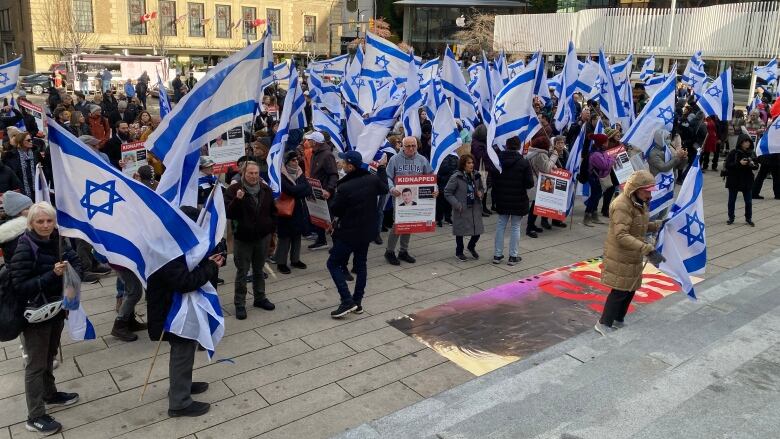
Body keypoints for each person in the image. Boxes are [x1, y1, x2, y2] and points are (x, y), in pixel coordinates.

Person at [10, 202, 83, 435]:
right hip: (34, 316)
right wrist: (52, 274)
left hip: (56, 309)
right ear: (31, 223)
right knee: (35, 365)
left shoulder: (59, 240)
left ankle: (49, 394)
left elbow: (79, 265)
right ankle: (35, 416)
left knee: (50, 355)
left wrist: (71, 276)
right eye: (40, 221)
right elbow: (20, 287)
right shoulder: (24, 247)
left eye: (49, 221)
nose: (45, 225)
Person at [146, 213, 223, 418]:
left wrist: (206, 261)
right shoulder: (167, 251)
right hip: (171, 311)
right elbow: (184, 281)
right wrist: (211, 267)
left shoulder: (172, 243)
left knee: (185, 349)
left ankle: (182, 385)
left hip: (177, 307)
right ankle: (179, 403)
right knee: (182, 351)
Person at [595, 171, 665, 335]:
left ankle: (619, 319)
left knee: (631, 287)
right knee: (620, 290)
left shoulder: (640, 201)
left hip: (633, 252)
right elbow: (621, 235)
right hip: (621, 253)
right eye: (646, 190)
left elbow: (638, 224)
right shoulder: (622, 204)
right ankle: (603, 323)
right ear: (636, 189)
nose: (649, 194)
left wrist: (656, 225)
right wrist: (646, 248)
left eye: (650, 191)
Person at [327, 150, 389, 318]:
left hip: (348, 233)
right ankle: (358, 302)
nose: (340, 165)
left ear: (350, 166)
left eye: (343, 163)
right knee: (361, 265)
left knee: (332, 263)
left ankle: (347, 300)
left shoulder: (345, 186)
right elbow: (385, 188)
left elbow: (335, 209)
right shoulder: (372, 178)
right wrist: (382, 168)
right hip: (367, 231)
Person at [225, 161, 276, 320]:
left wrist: (271, 230)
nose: (254, 176)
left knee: (259, 269)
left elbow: (272, 211)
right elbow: (228, 213)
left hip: (262, 237)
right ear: (243, 174)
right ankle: (240, 303)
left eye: (256, 173)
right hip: (243, 239)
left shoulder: (265, 189)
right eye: (250, 173)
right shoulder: (234, 190)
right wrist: (237, 200)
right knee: (242, 272)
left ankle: (260, 298)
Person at [384, 136, 436, 266]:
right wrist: (391, 188)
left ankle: (403, 251)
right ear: (402, 146)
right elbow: (388, 176)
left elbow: (430, 176)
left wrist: (436, 189)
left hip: (415, 197)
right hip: (399, 197)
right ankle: (389, 251)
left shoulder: (422, 159)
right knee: (398, 224)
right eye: (408, 146)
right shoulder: (395, 159)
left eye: (413, 145)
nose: (411, 148)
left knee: (410, 223)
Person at [491, 136, 536, 265]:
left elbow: (494, 180)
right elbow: (529, 183)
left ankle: (497, 255)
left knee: (501, 225)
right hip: (518, 198)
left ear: (506, 145)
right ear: (518, 147)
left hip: (502, 198)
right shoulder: (523, 162)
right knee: (516, 227)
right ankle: (513, 256)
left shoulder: (499, 160)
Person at [275, 151, 312, 275]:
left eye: (297, 159)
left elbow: (308, 189)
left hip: (299, 209)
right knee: (285, 237)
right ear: (286, 162)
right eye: (293, 160)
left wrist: (298, 190)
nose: (296, 162)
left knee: (297, 236)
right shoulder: (281, 174)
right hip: (286, 210)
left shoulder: (299, 172)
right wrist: (299, 190)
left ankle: (295, 259)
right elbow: (290, 190)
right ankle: (281, 262)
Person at [300, 131, 338, 251]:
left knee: (329, 218)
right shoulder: (316, 153)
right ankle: (321, 240)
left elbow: (333, 175)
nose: (307, 142)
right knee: (318, 216)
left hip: (325, 193)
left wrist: (329, 190)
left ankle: (337, 244)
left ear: (315, 142)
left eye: (309, 140)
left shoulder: (327, 155)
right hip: (316, 190)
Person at [444, 154, 485, 262]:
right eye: (468, 163)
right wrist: (457, 204)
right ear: (463, 165)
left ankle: (471, 246)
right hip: (462, 208)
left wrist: (481, 192)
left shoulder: (476, 175)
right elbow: (447, 192)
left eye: (472, 162)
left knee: (478, 231)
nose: (471, 165)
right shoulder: (456, 177)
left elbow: (481, 188)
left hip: (475, 207)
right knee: (460, 231)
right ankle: (459, 252)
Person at [525, 135, 561, 235]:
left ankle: (531, 225)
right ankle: (529, 228)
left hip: (534, 180)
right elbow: (546, 168)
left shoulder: (533, 152)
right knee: (535, 206)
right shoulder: (540, 155)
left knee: (536, 205)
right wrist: (554, 155)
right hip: (537, 182)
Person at [725, 134, 759, 226]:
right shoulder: (734, 152)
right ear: (740, 143)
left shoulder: (752, 153)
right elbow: (728, 165)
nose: (747, 143)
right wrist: (739, 163)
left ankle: (749, 218)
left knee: (748, 201)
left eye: (748, 141)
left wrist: (752, 164)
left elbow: (756, 166)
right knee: (732, 200)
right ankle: (731, 217)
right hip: (734, 179)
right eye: (745, 141)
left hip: (747, 180)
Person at [584, 133, 615, 227]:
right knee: (594, 197)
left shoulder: (602, 152)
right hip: (595, 179)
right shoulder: (596, 154)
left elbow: (607, 159)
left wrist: (609, 159)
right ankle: (587, 216)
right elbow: (605, 165)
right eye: (606, 142)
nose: (608, 143)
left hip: (599, 178)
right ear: (602, 143)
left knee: (597, 196)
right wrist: (612, 159)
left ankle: (594, 215)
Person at [3, 132, 38, 199]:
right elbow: (10, 175)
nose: (31, 142)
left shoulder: (35, 153)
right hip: (20, 188)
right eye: (28, 140)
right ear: (20, 141)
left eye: (31, 140)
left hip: (35, 188)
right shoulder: (11, 156)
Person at [435, 153, 458, 227]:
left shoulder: (455, 156)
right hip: (442, 181)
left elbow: (457, 169)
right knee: (440, 201)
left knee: (449, 201)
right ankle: (439, 219)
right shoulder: (441, 155)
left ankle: (448, 217)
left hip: (450, 181)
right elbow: (441, 169)